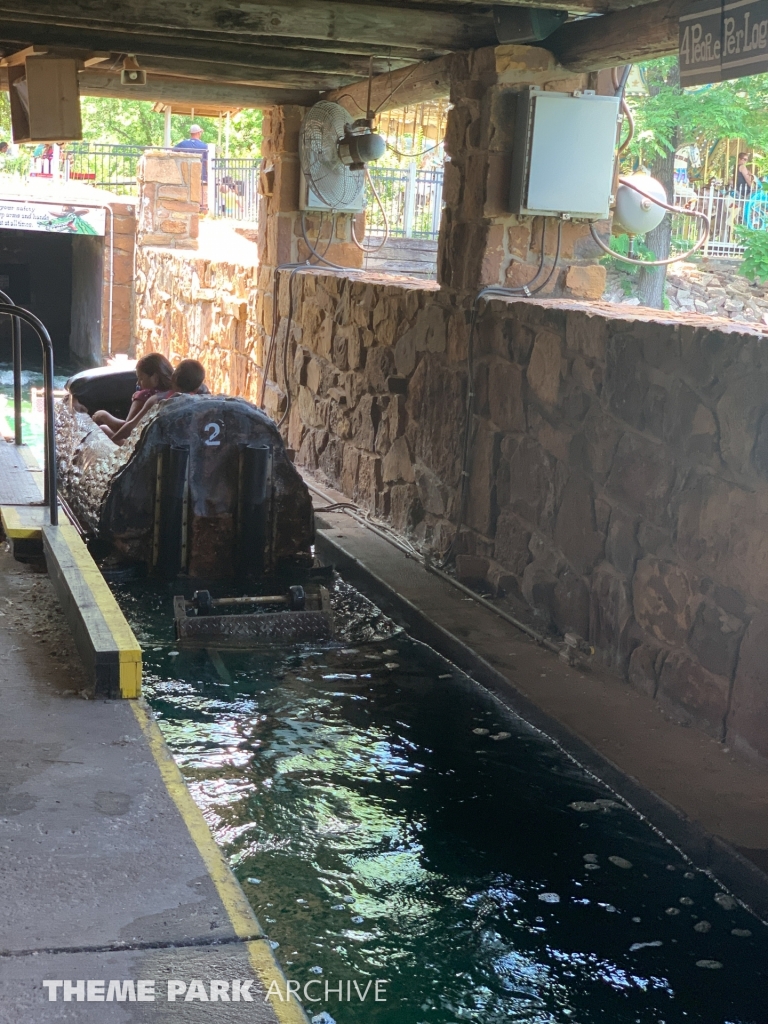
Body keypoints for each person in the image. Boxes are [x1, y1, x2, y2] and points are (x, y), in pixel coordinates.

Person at [109, 359, 207, 445]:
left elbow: (132, 428)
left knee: (104, 429)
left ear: (173, 377)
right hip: (193, 456)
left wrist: (112, 439)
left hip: (160, 457)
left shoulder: (158, 400)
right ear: (198, 386)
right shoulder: (205, 404)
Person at [93, 352, 173, 439]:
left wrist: (104, 416)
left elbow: (129, 429)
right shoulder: (174, 394)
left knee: (103, 429)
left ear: (155, 378)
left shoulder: (146, 396)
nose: (138, 383)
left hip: (140, 445)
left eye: (141, 378)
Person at [173, 124, 209, 214]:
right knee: (202, 191)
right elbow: (206, 161)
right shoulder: (204, 146)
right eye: (200, 132)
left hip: (185, 172)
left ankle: (185, 209)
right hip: (200, 173)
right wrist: (207, 173)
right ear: (198, 133)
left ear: (191, 133)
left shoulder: (183, 143)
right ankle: (202, 209)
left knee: (186, 191)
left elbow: (171, 151)